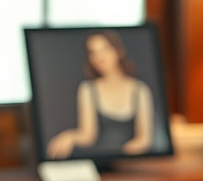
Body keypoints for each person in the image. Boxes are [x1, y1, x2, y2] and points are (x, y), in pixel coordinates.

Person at [45, 29, 155, 159]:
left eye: (105, 49)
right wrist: (68, 137)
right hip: (99, 161)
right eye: (93, 53)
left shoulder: (140, 90)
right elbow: (88, 136)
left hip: (129, 163)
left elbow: (144, 139)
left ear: (118, 51)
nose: (99, 57)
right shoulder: (87, 89)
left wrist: (123, 155)